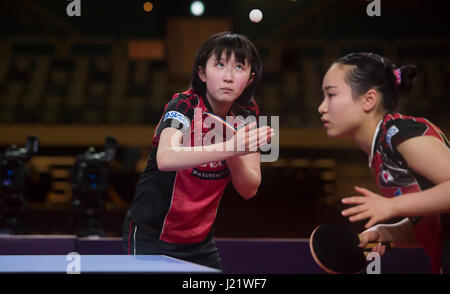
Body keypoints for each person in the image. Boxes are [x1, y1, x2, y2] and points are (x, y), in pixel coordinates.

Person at [122, 32, 273, 270]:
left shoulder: (251, 115)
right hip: (151, 235)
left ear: (251, 78)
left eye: (239, 67)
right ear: (202, 73)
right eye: (220, 65)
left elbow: (249, 189)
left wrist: (234, 151)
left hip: (200, 242)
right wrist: (230, 146)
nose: (228, 77)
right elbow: (166, 158)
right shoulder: (182, 105)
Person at [318, 52, 450, 274]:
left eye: (331, 95)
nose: (321, 107)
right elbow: (434, 223)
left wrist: (392, 206)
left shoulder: (400, 134)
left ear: (369, 99)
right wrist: (388, 233)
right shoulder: (382, 150)